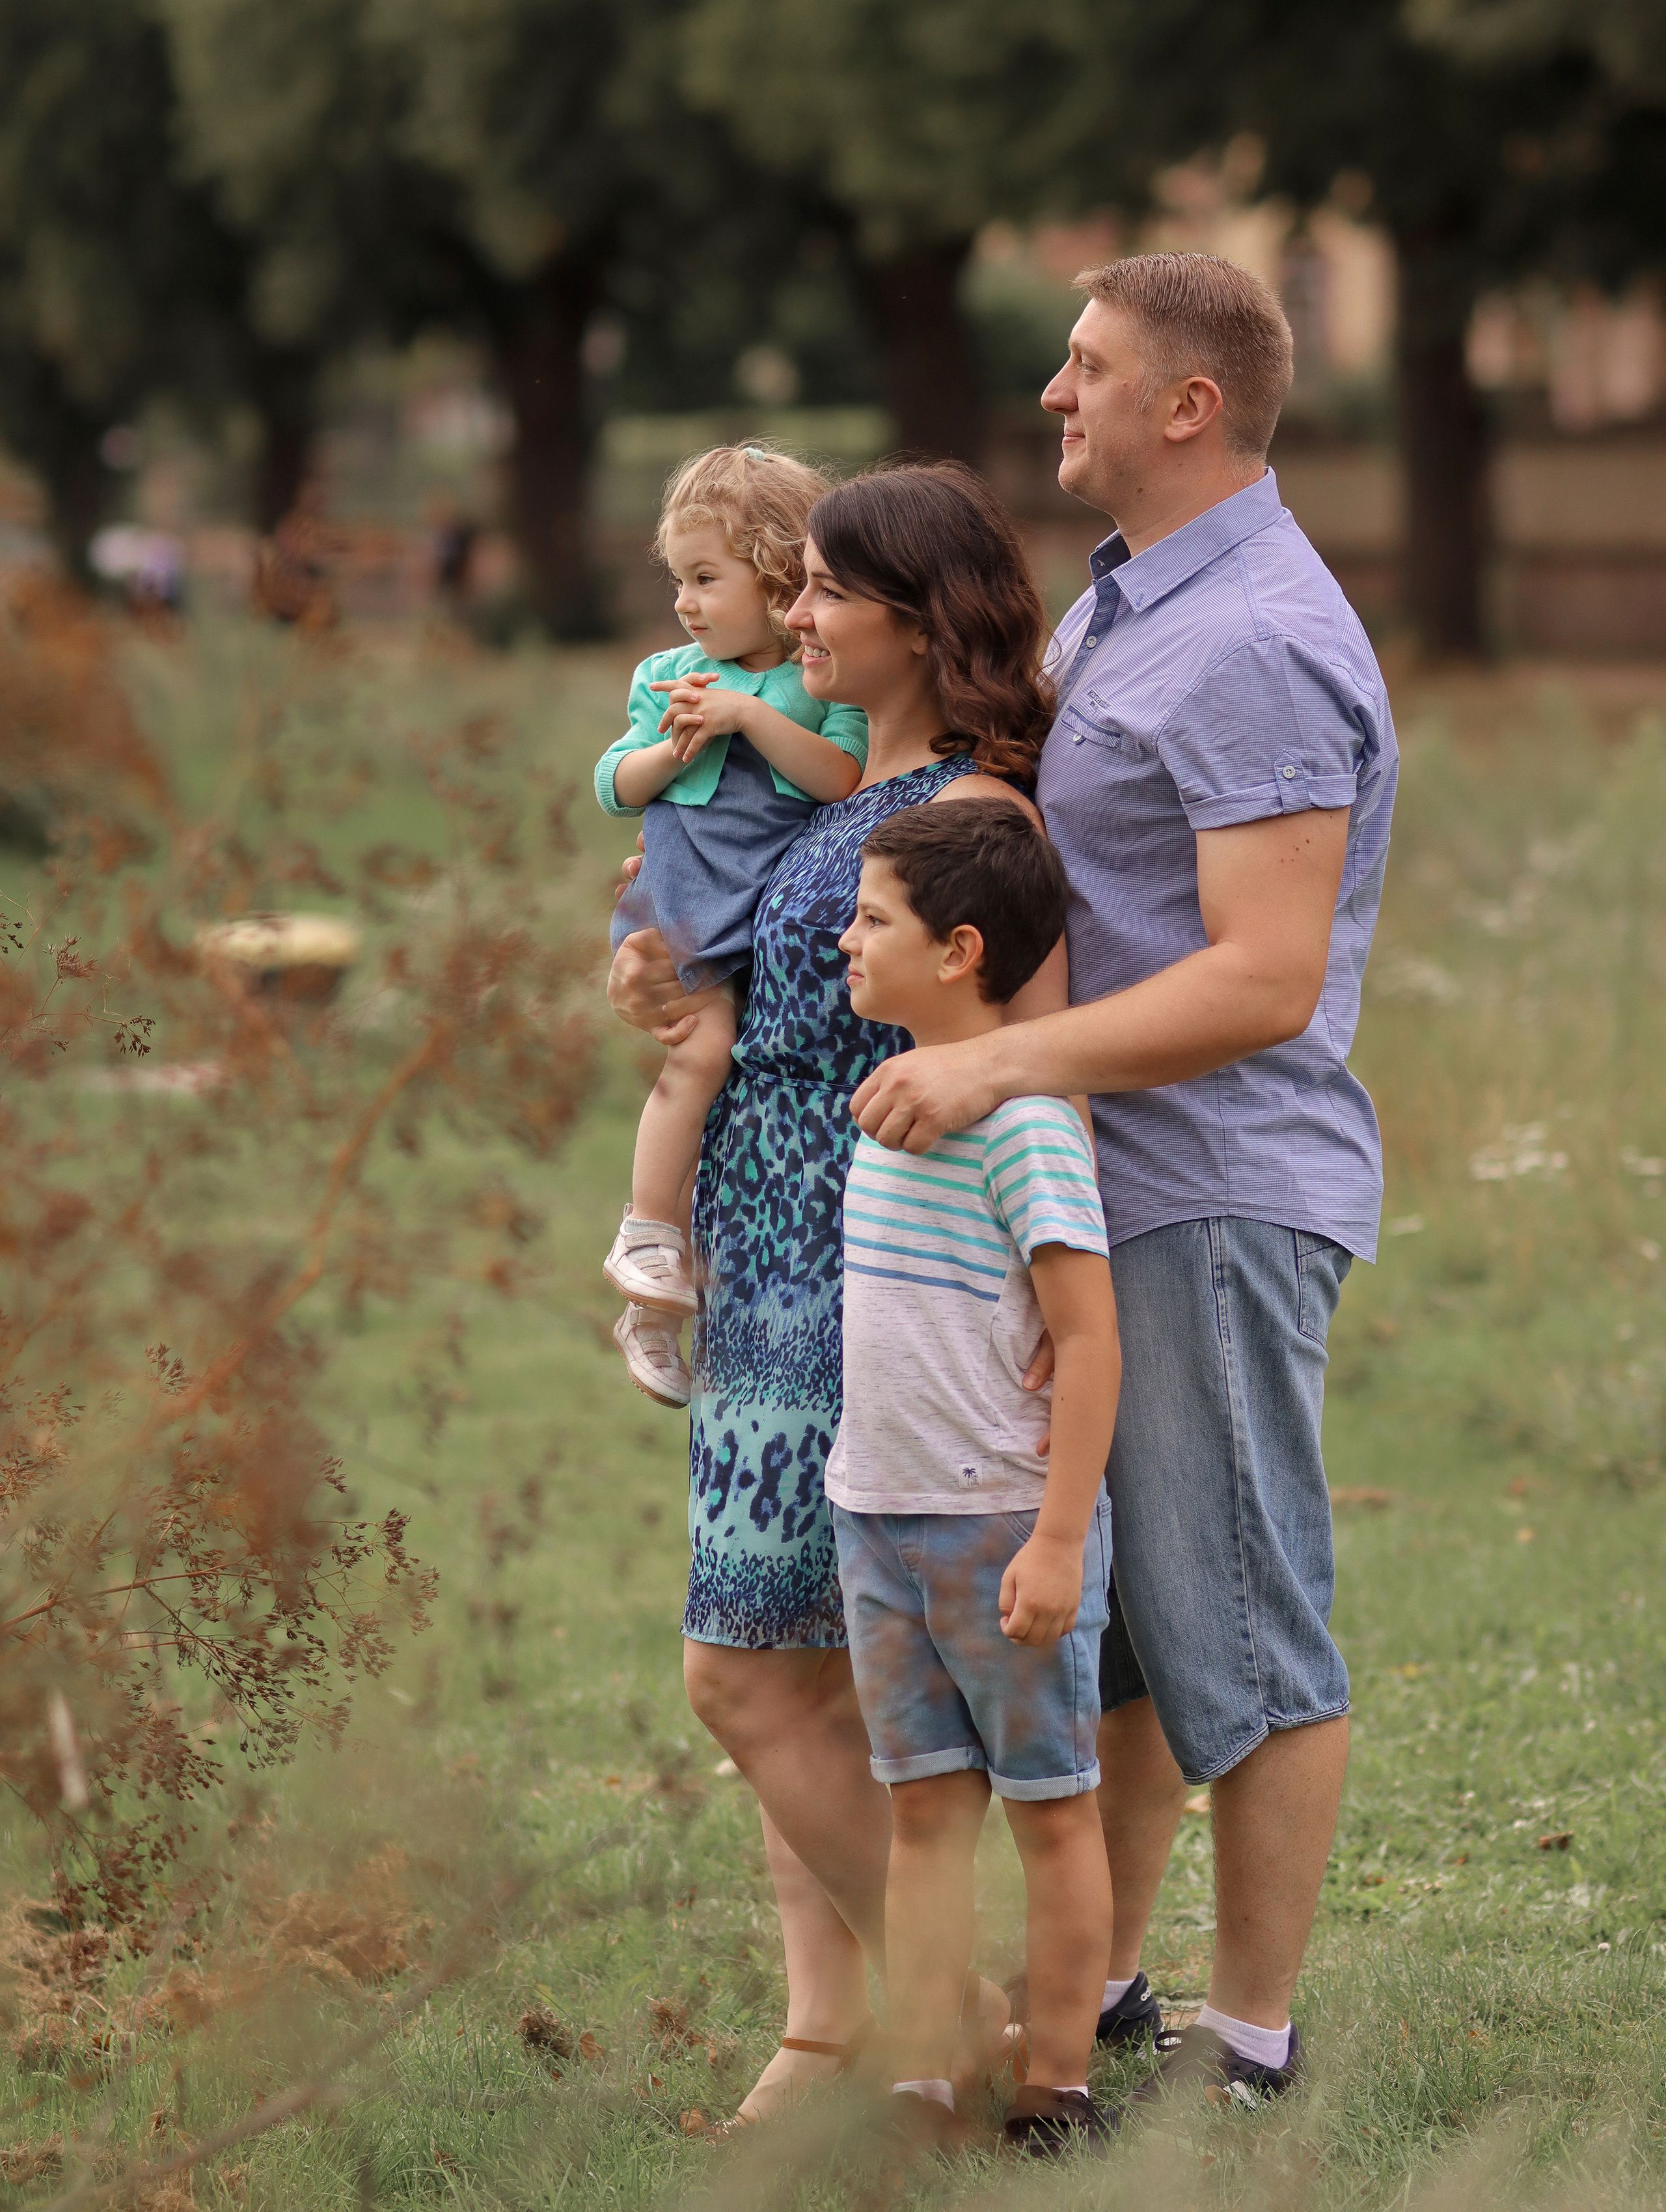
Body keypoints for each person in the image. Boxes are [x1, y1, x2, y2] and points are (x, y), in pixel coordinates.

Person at [848, 253, 1400, 2110]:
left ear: (1188, 405)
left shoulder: (1252, 636)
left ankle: (1257, 2048)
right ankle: (1128, 1991)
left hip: (1215, 1185)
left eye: (1087, 367)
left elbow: (1261, 973)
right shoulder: (1123, 608)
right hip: (1102, 1182)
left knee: (1246, 1614)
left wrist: (992, 1060)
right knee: (1147, 1633)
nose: (1052, 388)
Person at [606, 463, 1059, 2131]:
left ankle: (969, 2001)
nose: (792, 617)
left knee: (737, 1673)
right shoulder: (814, 793)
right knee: (799, 1668)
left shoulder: (966, 815)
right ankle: (828, 2028)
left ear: (911, 621)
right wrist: (661, 975)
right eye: (783, 593)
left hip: (862, 1284)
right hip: (770, 1266)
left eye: (820, 597)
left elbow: (1017, 1060)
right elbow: (746, 984)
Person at [826, 800, 1119, 2159]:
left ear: (955, 950)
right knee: (924, 1811)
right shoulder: (883, 1097)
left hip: (998, 1524)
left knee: (1052, 1812)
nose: (846, 936)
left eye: (870, 917)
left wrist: (1058, 1541)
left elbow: (1085, 1336)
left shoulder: (1024, 1125)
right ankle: (926, 2069)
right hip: (874, 1516)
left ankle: (1053, 2084)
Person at [595, 446, 868, 1408]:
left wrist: (749, 715)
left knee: (727, 1072)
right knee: (698, 1055)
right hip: (687, 912)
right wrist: (668, 751)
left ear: (780, 573)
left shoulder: (813, 682)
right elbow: (611, 783)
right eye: (678, 579)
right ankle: (649, 1244)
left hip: (768, 929)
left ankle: (664, 1295)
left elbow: (840, 779)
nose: (685, 601)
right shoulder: (668, 675)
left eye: (707, 578)